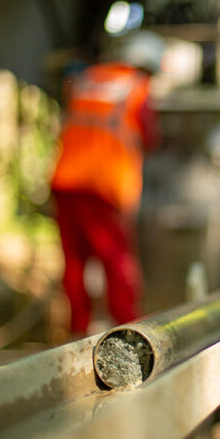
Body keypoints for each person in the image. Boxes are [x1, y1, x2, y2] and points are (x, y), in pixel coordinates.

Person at [50, 30, 165, 337]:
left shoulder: (88, 78)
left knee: (74, 261)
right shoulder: (136, 86)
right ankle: (128, 333)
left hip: (64, 180)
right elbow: (150, 136)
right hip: (102, 185)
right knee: (116, 261)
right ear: (148, 66)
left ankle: (77, 331)